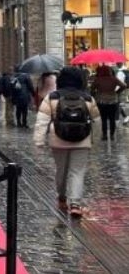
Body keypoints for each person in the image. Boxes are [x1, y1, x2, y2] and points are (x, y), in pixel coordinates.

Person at [34, 66, 100, 217]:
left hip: (58, 138)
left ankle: (62, 197)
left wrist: (39, 141)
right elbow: (97, 120)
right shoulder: (88, 98)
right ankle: (76, 203)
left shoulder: (52, 97)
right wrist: (94, 139)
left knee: (61, 170)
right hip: (82, 140)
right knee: (77, 171)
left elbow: (42, 120)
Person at [90, 65, 126, 141]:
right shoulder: (113, 79)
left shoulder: (98, 79)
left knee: (104, 119)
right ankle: (112, 135)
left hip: (101, 101)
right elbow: (123, 85)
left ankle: (105, 135)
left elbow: (92, 89)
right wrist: (117, 92)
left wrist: (95, 94)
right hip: (113, 100)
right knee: (112, 119)